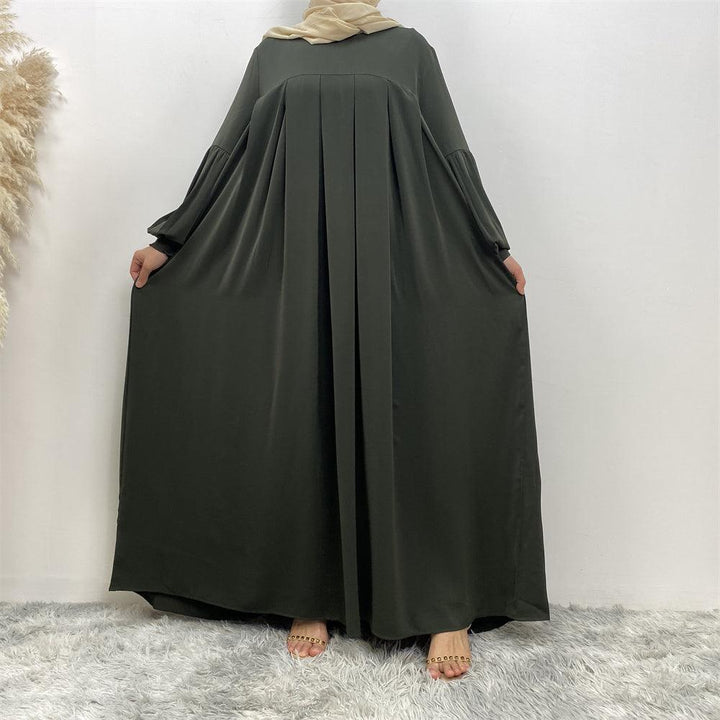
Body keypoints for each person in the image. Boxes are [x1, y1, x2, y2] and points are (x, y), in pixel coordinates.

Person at [110, 0, 549, 681]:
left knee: (420, 414)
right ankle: (307, 593)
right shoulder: (274, 53)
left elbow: (452, 150)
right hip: (294, 260)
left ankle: (444, 602)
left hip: (400, 260)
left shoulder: (409, 49)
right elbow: (228, 151)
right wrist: (171, 241)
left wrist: (493, 248)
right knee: (301, 416)